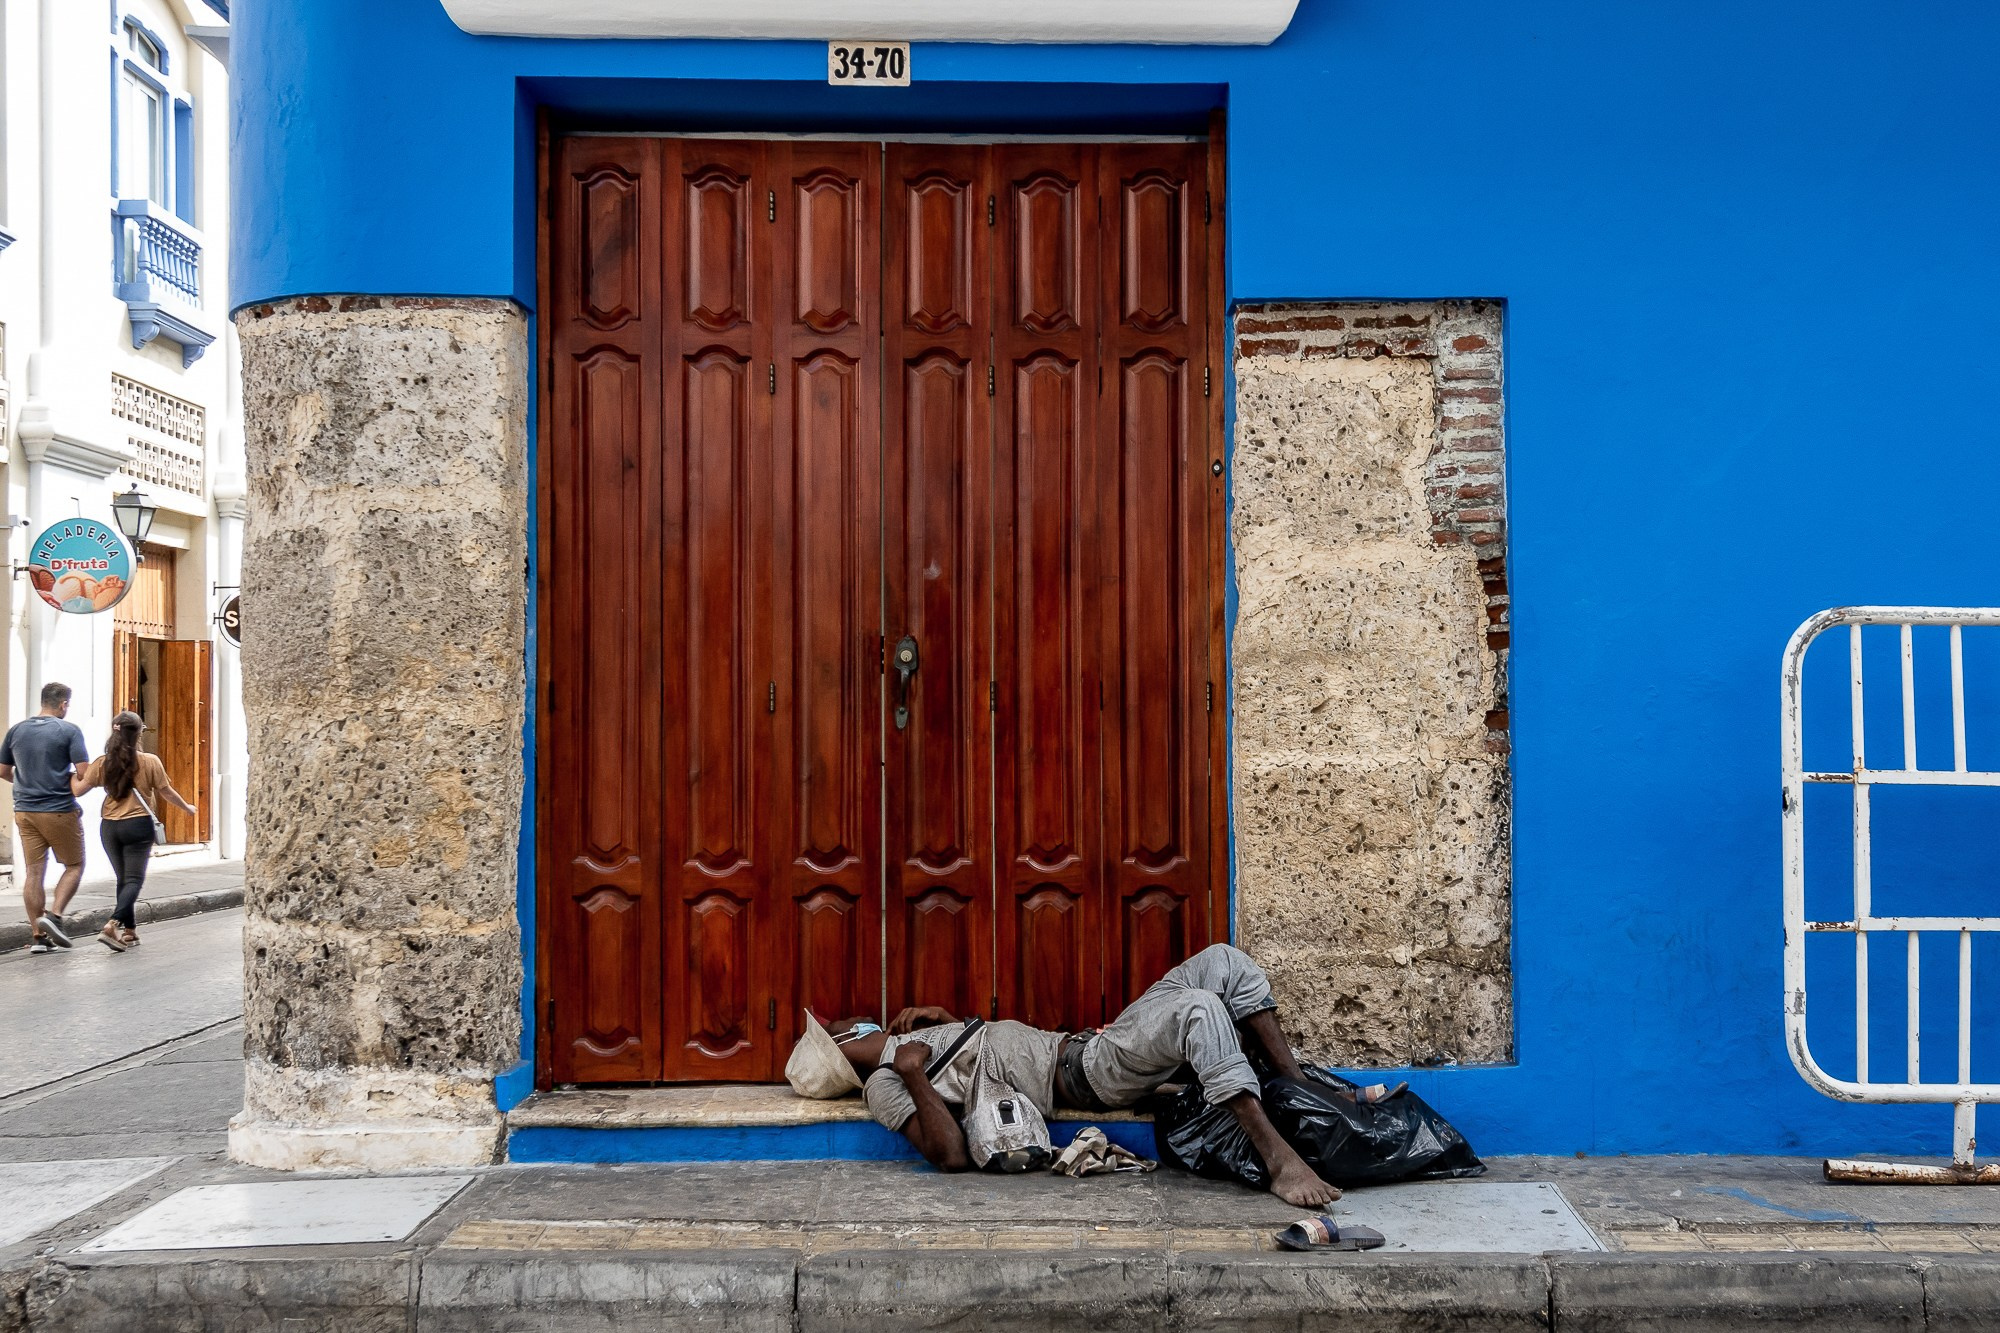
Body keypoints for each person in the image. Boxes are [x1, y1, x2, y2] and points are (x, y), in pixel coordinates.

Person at [786, 943, 1342, 1207]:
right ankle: (1278, 1160)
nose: (861, 1019)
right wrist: (912, 1076)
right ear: (846, 1045)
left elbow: (992, 1055)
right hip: (1088, 1074)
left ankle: (1295, 1084)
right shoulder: (886, 1081)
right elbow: (949, 1155)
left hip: (1092, 1044)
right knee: (1198, 1007)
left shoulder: (917, 1038)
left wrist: (948, 1021)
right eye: (848, 1026)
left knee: (1223, 961)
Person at [72, 712, 194, 952]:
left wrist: (65, 774)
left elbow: (77, 790)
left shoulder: (102, 762)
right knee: (134, 879)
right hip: (138, 825)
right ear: (139, 733)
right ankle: (112, 924)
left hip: (109, 826)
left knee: (123, 879)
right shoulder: (150, 761)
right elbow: (165, 791)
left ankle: (129, 932)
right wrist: (187, 807)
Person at [0, 682, 91, 953]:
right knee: (74, 865)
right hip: (58, 809)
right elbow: (84, 772)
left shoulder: (17, 730)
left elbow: (4, 770)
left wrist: (27, 781)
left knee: (34, 872)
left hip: (25, 811)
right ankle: (55, 916)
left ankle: (38, 936)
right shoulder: (69, 730)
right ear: (63, 704)